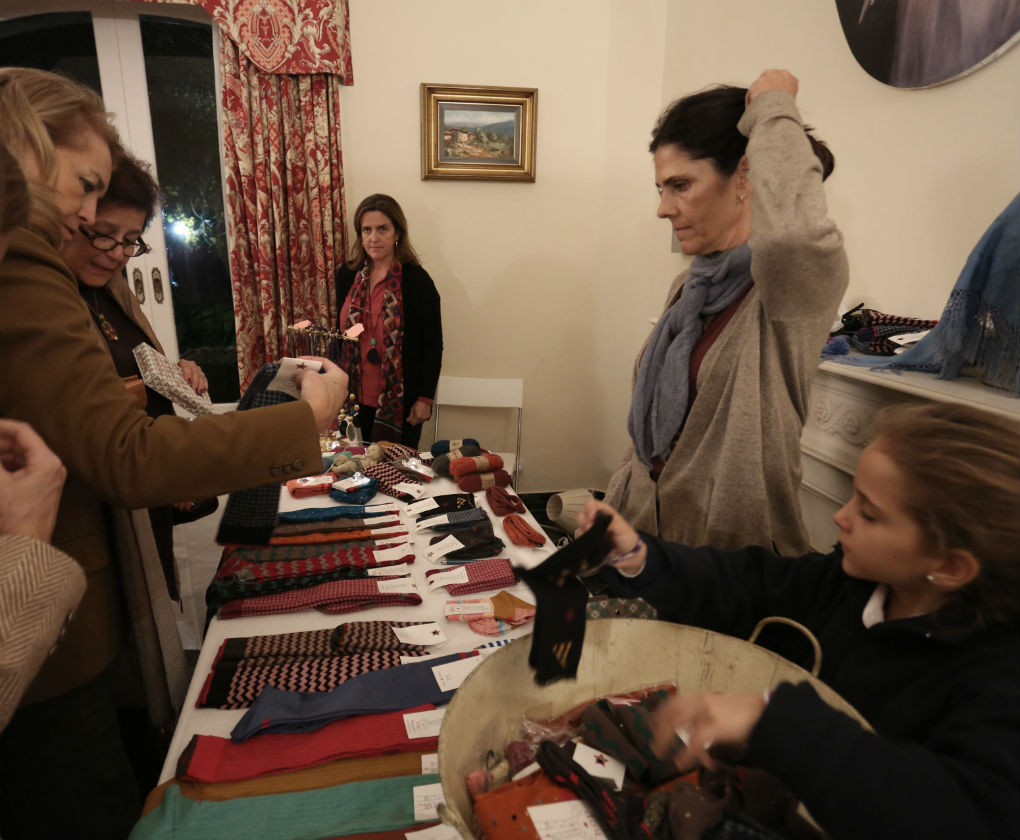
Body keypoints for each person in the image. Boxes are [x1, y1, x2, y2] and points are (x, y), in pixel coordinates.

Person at [0, 66, 346, 839]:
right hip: (43, 607)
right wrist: (305, 422)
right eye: (87, 191)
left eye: (123, 235)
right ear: (25, 150)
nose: (89, 220)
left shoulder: (92, 282)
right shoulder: (27, 260)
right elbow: (123, 454)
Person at [581, 401, 1020, 839]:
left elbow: (963, 813)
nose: (840, 516)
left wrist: (778, 722)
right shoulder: (847, 583)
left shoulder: (998, 678)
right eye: (851, 496)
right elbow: (745, 586)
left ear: (950, 566)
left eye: (868, 513)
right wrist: (640, 557)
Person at [605, 69, 848, 554]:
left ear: (744, 177)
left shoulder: (788, 291)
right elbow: (656, 433)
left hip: (728, 560)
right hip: (646, 544)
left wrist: (773, 105)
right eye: (661, 189)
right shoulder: (690, 286)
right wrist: (614, 514)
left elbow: (792, 234)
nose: (663, 209)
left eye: (680, 185)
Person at [61, 152, 214, 600]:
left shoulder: (113, 288)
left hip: (149, 479)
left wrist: (174, 370)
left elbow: (131, 362)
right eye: (105, 235)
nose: (118, 253)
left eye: (131, 241)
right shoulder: (52, 301)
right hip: (101, 507)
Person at [335, 193, 443, 448]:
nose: (374, 237)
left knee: (393, 469)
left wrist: (425, 399)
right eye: (367, 229)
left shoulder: (417, 281)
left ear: (397, 233)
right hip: (351, 400)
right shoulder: (347, 275)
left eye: (382, 229)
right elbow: (340, 337)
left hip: (401, 404)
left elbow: (432, 345)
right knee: (351, 467)